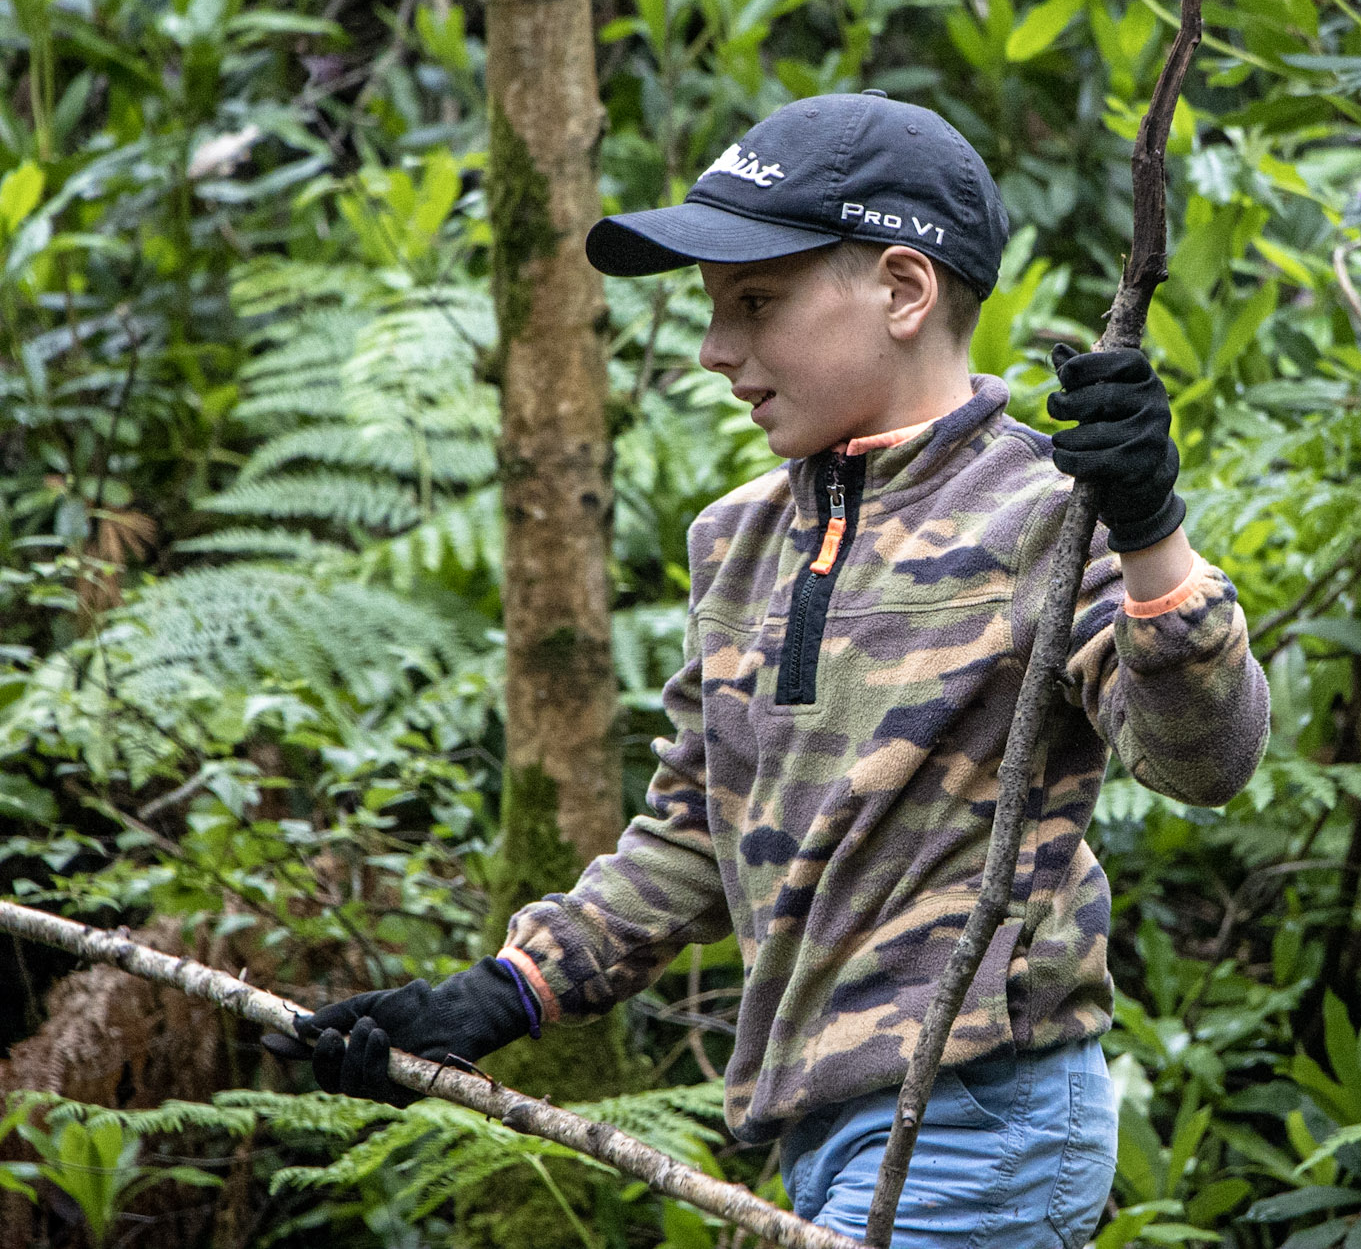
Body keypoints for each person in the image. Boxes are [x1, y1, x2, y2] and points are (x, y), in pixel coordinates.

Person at [263, 91, 1271, 1246]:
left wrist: (1147, 529)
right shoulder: (737, 541)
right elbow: (697, 828)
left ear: (903, 291)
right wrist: (499, 994)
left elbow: (1208, 758)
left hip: (982, 1116)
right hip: (824, 1129)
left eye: (755, 302)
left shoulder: (1041, 513)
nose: (715, 349)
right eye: (710, 310)